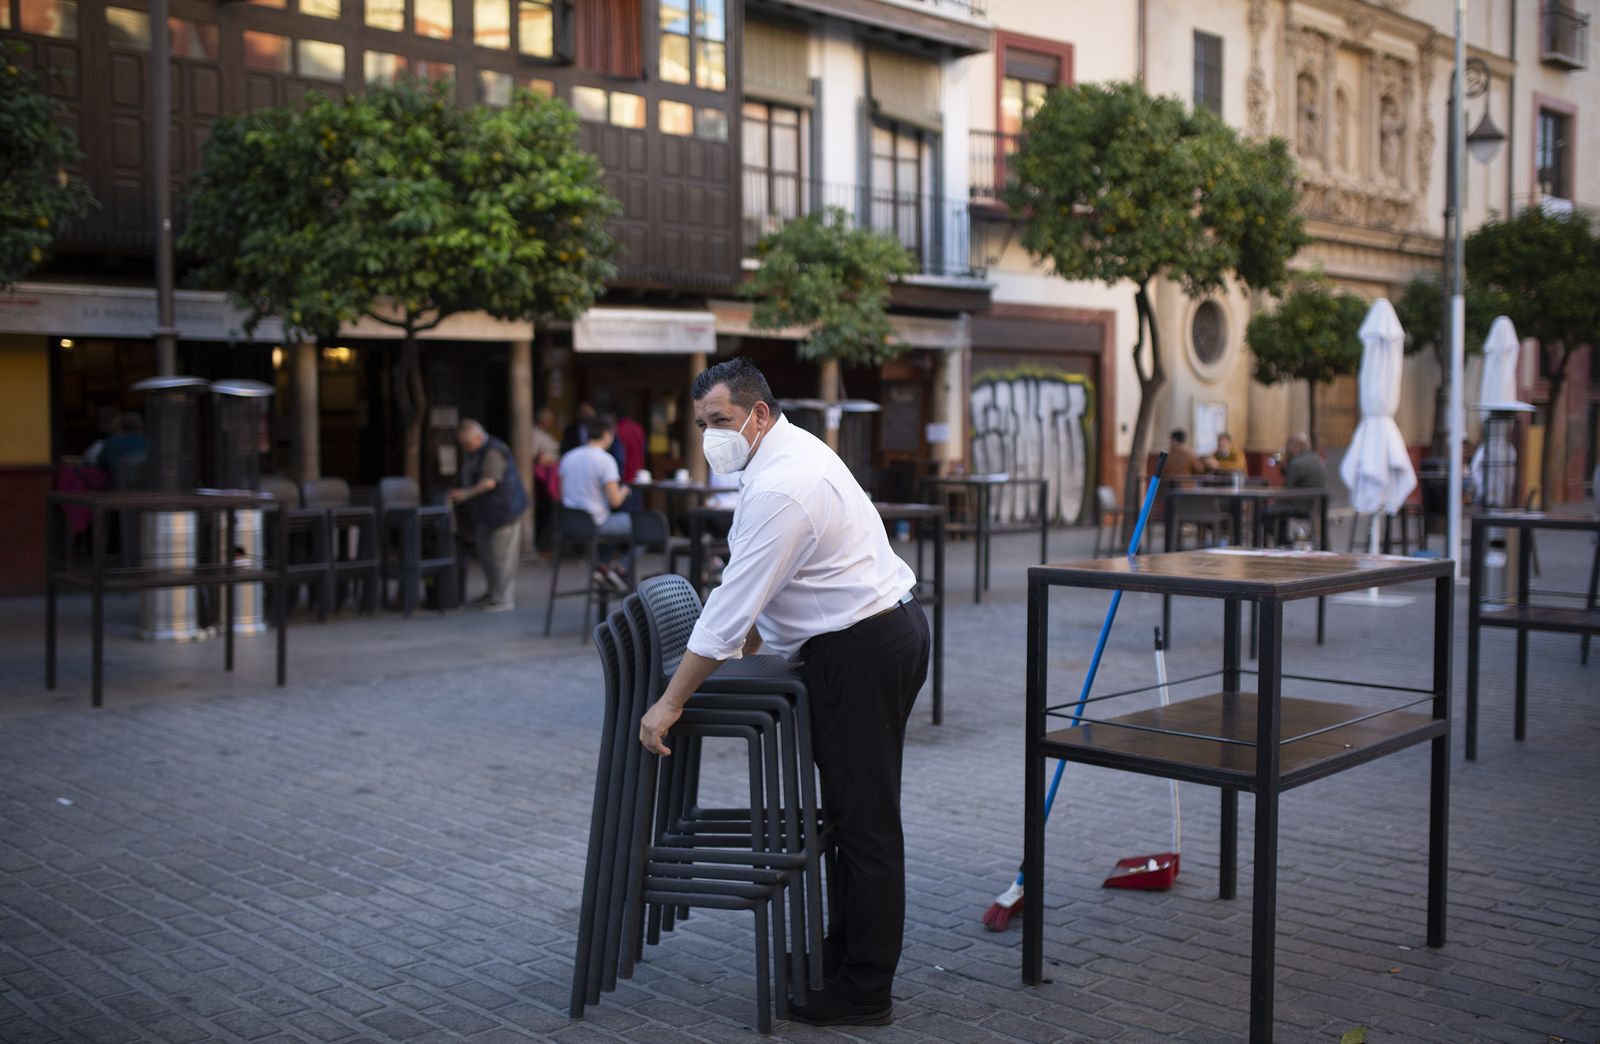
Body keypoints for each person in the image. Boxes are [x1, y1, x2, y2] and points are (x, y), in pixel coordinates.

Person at [639, 357, 929, 1028]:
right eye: (702, 424)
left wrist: (671, 701)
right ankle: (842, 960)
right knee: (853, 818)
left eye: (720, 420)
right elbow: (758, 587)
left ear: (759, 414)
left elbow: (728, 610)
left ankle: (865, 992)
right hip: (865, 639)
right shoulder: (779, 458)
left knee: (866, 824)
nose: (711, 436)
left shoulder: (782, 484)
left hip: (861, 649)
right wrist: (746, 640)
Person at [448, 419, 528, 612]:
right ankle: (493, 593)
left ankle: (502, 598)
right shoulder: (477, 451)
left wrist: (466, 493)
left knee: (501, 557)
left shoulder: (493, 450)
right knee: (487, 554)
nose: (466, 448)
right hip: (486, 512)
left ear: (478, 437)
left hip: (503, 510)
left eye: (468, 444)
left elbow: (489, 482)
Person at [558, 414, 633, 592]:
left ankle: (602, 568)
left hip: (571, 523)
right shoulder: (605, 460)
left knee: (617, 523)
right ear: (607, 434)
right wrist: (625, 490)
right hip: (597, 523)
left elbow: (561, 494)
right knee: (643, 526)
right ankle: (619, 568)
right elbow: (615, 501)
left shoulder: (568, 457)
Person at [1269, 432, 1327, 545]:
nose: (1286, 449)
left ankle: (1281, 542)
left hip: (1300, 505)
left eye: (1287, 446)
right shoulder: (1316, 458)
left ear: (1295, 446)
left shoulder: (1296, 463)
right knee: (1278, 508)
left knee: (1268, 512)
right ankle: (1283, 541)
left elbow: (1288, 488)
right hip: (1315, 505)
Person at [532, 408, 562, 553]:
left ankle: (544, 544)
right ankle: (539, 544)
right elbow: (533, 455)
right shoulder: (535, 434)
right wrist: (546, 459)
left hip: (550, 478)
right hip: (543, 480)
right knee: (545, 512)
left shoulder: (544, 433)